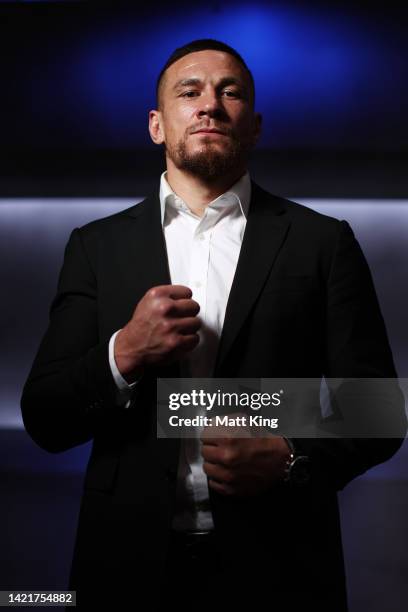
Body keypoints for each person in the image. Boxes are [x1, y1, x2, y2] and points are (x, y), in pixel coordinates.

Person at [21, 39, 406, 611]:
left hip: (282, 566)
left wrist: (291, 457)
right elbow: (46, 417)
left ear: (253, 125)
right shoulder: (95, 247)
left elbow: (378, 410)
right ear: (157, 125)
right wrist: (122, 354)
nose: (210, 105)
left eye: (231, 93)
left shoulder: (323, 242)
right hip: (124, 567)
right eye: (190, 91)